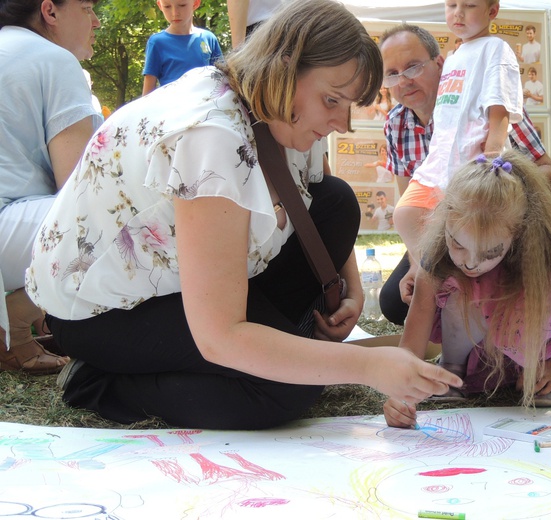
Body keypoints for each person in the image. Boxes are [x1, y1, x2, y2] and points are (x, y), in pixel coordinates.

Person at [26, 0, 461, 430]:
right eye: (332, 99)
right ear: (285, 69)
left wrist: (347, 285)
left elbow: (314, 201)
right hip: (102, 310)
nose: (341, 123)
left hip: (178, 281)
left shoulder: (275, 107)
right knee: (285, 389)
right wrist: (367, 366)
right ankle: (97, 381)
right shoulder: (212, 135)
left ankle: (274, 347)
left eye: (348, 105)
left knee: (336, 201)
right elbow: (220, 335)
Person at [383, 151, 551, 427]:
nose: (471, 263)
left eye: (490, 252)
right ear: (446, 218)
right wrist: (401, 390)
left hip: (541, 356)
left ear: (520, 232)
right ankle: (453, 367)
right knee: (458, 286)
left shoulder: (549, 245)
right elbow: (416, 329)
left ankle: (536, 369)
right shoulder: (438, 250)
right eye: (459, 244)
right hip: (481, 354)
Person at [377, 23, 551, 326]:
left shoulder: (488, 106)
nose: (404, 81)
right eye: (392, 74)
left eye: (413, 67)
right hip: (444, 236)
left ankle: (485, 321)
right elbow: (413, 209)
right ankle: (461, 321)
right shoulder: (395, 123)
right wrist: (417, 262)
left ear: (441, 64)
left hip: (499, 229)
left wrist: (497, 187)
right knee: (395, 302)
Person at [0, 0, 101, 374]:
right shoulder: (54, 59)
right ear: (50, 12)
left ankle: (40, 319)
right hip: (5, 231)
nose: (96, 22)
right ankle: (13, 324)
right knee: (118, 214)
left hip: (9, 227)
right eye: (87, 8)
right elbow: (80, 193)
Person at [141, 0, 223, 96]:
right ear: (160, 5)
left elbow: (222, 79)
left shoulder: (208, 38)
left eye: (182, 5)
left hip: (205, 106)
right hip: (172, 107)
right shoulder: (157, 42)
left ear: (195, 3)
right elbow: (147, 93)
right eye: (167, 6)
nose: (175, 13)